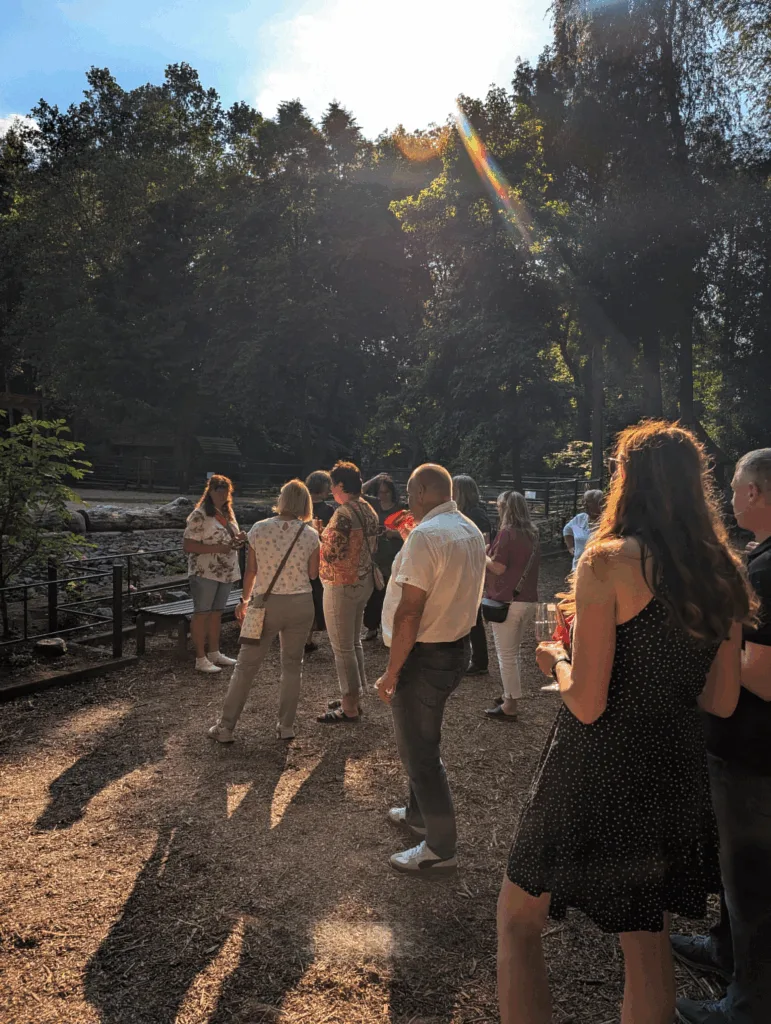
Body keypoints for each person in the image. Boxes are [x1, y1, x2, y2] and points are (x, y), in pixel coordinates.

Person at [497, 421, 756, 1024]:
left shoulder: (610, 561)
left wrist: (554, 658)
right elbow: (721, 700)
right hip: (673, 770)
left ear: (629, 481)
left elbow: (587, 702)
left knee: (517, 920)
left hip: (598, 765)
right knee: (646, 941)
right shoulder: (724, 571)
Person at [674, 448, 771, 1024]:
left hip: (752, 754)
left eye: (735, 487)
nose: (729, 500)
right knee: (735, 872)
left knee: (751, 881)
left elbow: (761, 672)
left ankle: (747, 1006)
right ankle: (724, 949)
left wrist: (708, 643)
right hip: (749, 751)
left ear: (756, 493)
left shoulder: (763, 571)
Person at [376, 464, 486, 876]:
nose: (407, 500)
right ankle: (418, 815)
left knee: (419, 751)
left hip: (426, 654)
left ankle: (441, 847)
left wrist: (391, 672)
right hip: (456, 648)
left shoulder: (427, 535)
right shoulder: (468, 528)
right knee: (422, 739)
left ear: (422, 491)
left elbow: (409, 612)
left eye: (409, 492)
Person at [207, 480, 320, 743]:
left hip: (265, 603)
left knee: (246, 667)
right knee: (292, 666)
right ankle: (286, 726)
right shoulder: (311, 534)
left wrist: (244, 599)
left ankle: (226, 727)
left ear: (281, 499)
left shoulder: (259, 529)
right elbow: (313, 574)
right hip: (301, 602)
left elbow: (251, 571)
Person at [317, 461, 379, 723]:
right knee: (353, 643)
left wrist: (317, 535)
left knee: (343, 648)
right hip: (363, 581)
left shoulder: (343, 514)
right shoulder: (368, 509)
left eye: (333, 485)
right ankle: (354, 695)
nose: (331, 490)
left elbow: (331, 553)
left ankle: (350, 705)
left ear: (341, 485)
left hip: (341, 584)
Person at [483, 491, 540, 721]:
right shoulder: (533, 534)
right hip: (528, 599)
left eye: (499, 507)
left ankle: (510, 705)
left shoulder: (507, 533)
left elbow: (498, 568)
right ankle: (509, 693)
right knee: (513, 652)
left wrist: (482, 555)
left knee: (506, 655)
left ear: (505, 508)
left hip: (507, 600)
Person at [182, 475, 246, 673]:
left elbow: (228, 539)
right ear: (209, 491)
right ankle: (200, 657)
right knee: (202, 613)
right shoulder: (199, 515)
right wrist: (219, 548)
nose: (222, 493)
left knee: (217, 613)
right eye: (218, 489)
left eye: (226, 490)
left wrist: (239, 539)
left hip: (225, 571)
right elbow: (188, 545)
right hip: (205, 571)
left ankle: (214, 652)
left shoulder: (227, 513)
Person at [452, 474, 491, 676]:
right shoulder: (465, 512)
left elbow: (485, 542)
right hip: (464, 567)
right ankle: (473, 657)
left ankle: (479, 660)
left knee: (473, 616)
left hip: (471, 569)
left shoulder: (476, 514)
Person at [361, 473, 406, 642]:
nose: (383, 495)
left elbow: (410, 532)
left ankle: (392, 629)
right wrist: (374, 478)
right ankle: (371, 627)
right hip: (376, 556)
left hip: (395, 555)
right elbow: (358, 492)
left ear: (392, 492)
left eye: (386, 492)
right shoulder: (374, 504)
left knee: (393, 594)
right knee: (374, 593)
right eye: (380, 492)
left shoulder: (401, 509)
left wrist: (394, 533)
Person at [304, 470, 335, 653]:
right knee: (316, 596)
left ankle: (302, 635)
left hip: (299, 558)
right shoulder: (328, 510)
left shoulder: (301, 507)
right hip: (320, 559)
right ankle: (309, 635)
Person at [562, 489, 603, 573]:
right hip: (577, 568)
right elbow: (567, 530)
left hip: (599, 571)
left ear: (599, 503)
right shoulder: (580, 520)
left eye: (588, 501)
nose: (585, 504)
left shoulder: (607, 522)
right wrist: (570, 547)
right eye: (584, 501)